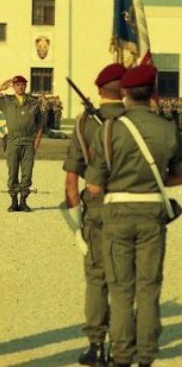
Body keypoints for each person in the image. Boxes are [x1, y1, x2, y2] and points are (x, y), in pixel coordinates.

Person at [85, 64, 182, 367]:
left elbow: (94, 184)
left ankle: (123, 355)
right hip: (153, 214)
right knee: (149, 286)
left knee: (121, 288)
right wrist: (152, 182)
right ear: (152, 93)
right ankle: (147, 355)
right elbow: (177, 176)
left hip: (117, 215)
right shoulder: (168, 128)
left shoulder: (110, 129)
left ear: (124, 93)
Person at [63, 63, 126, 367]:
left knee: (97, 279)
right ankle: (123, 347)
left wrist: (75, 227)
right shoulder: (136, 121)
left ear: (100, 90)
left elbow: (71, 181)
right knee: (126, 280)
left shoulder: (84, 124)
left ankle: (97, 347)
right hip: (132, 208)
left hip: (97, 211)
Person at [0, 75, 43, 212]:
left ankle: (23, 201)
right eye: (17, 85)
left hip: (28, 142)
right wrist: (0, 87)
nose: (20, 87)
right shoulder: (7, 101)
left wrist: (37, 141)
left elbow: (40, 124)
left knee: (27, 173)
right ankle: (13, 202)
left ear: (26, 86)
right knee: (13, 172)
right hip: (13, 141)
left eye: (23, 84)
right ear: (13, 86)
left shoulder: (34, 102)